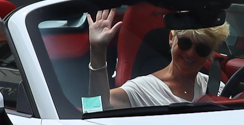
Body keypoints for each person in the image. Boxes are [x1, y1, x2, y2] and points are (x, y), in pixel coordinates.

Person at [85, 12, 227, 108]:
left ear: (211, 53)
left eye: (202, 49)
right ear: (171, 39)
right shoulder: (143, 88)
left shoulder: (217, 87)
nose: (190, 53)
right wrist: (97, 50)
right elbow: (94, 106)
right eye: (185, 43)